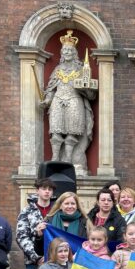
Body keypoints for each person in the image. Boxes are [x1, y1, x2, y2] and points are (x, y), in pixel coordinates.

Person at [39, 30, 96, 171]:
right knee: (56, 132)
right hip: (58, 101)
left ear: (74, 52)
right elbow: (51, 88)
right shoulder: (57, 69)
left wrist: (85, 89)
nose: (67, 52)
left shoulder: (81, 69)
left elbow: (89, 92)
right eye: (65, 50)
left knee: (72, 132)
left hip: (75, 101)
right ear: (61, 52)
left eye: (70, 50)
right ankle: (55, 158)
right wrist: (47, 100)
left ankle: (69, 160)